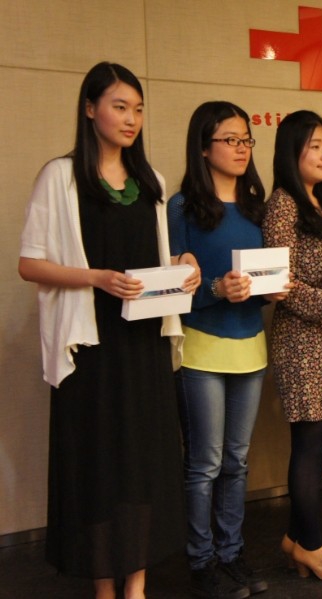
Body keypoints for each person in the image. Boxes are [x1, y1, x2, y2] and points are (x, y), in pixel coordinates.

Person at [18, 61, 200, 599]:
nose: (131, 119)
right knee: (98, 467)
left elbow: (156, 259)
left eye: (138, 109)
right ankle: (103, 586)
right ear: (89, 108)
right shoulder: (61, 177)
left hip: (142, 344)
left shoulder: (151, 182)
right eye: (119, 107)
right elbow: (30, 264)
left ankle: (136, 585)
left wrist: (182, 263)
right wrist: (96, 277)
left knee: (142, 464)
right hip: (92, 347)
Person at [169, 101, 291, 598]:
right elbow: (171, 288)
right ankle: (200, 561)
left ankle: (231, 552)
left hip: (250, 348)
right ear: (204, 147)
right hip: (200, 347)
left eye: (247, 140)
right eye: (230, 140)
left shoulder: (259, 208)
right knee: (204, 463)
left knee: (237, 461)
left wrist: (271, 290)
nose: (242, 149)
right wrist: (215, 288)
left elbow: (261, 283)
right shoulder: (182, 208)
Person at [263, 110, 322, 581]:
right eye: (314, 146)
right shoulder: (283, 205)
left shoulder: (317, 201)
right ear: (291, 151)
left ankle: (295, 538)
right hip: (302, 339)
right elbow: (280, 284)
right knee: (309, 446)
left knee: (317, 442)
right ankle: (311, 546)